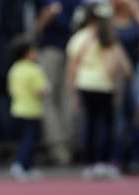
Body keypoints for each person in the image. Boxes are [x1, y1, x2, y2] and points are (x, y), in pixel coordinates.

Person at [68, 2, 131, 177]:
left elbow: (72, 68)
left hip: (85, 84)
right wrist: (117, 88)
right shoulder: (107, 38)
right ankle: (104, 162)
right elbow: (112, 68)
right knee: (106, 125)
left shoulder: (79, 38)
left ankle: (89, 163)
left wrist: (73, 92)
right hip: (104, 86)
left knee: (89, 124)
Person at [34, 0, 83, 164]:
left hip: (64, 51)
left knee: (60, 98)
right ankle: (63, 146)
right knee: (56, 98)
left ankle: (64, 146)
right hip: (60, 50)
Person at [6, 34, 49, 178]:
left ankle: (26, 165)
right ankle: (21, 165)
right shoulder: (34, 70)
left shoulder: (14, 69)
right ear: (28, 53)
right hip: (31, 111)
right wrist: (46, 90)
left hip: (17, 110)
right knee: (30, 141)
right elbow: (40, 90)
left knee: (22, 141)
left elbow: (11, 90)